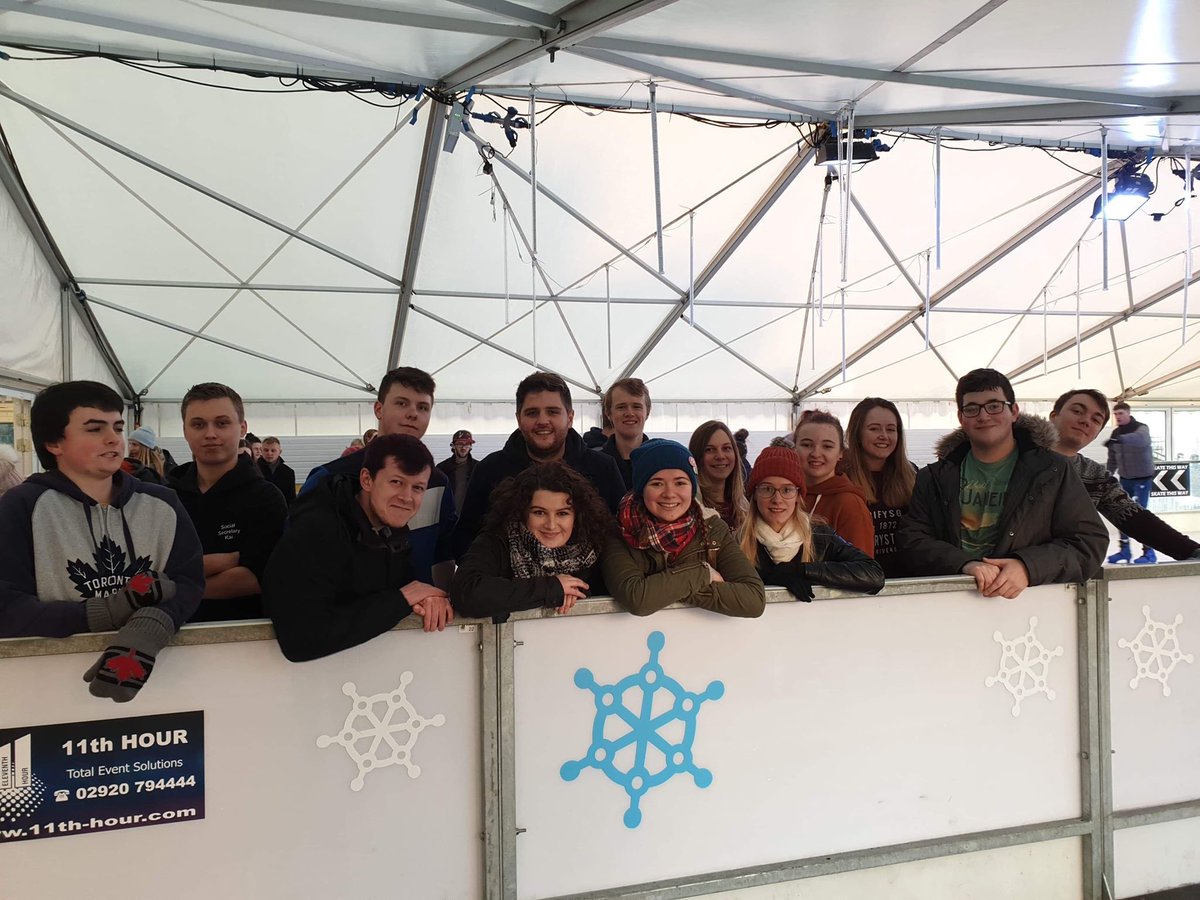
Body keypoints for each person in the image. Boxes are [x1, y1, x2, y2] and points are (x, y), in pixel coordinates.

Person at [0, 381, 203, 702]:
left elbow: (188, 582)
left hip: (156, 679)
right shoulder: (21, 506)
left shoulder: (164, 503)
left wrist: (153, 625)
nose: (114, 439)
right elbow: (7, 605)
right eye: (94, 429)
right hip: (43, 687)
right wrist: (104, 612)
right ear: (54, 441)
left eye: (118, 427)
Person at [897, 368, 1107, 596]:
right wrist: (964, 564)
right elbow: (912, 540)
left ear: (1014, 411)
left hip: (1028, 607)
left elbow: (1088, 542)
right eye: (972, 408)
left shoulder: (1052, 470)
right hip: (955, 601)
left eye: (994, 405)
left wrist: (1027, 566)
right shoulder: (934, 477)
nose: (984, 415)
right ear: (961, 418)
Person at [264, 434, 454, 662]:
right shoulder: (316, 530)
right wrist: (403, 599)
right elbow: (300, 639)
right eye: (396, 482)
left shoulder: (391, 530)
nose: (407, 497)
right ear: (367, 480)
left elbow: (407, 589)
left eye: (418, 488)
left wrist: (429, 600)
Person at [300, 367, 458, 592]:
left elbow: (443, 554)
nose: (413, 413)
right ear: (378, 409)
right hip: (352, 618)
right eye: (402, 403)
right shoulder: (330, 479)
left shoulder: (439, 483)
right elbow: (302, 561)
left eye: (422, 407)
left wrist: (442, 599)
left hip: (420, 618)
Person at [453, 372, 625, 557]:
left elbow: (620, 538)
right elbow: (466, 543)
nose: (542, 421)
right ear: (519, 419)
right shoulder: (490, 470)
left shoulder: (603, 467)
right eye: (532, 412)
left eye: (552, 411)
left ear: (570, 417)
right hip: (510, 585)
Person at [602, 439, 765, 618]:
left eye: (680, 483)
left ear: (692, 487)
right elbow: (637, 599)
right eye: (657, 483)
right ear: (642, 489)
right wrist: (702, 574)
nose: (670, 493)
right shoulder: (618, 533)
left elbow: (754, 600)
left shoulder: (712, 527)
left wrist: (663, 589)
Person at [168, 383, 287, 621]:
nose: (210, 434)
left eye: (222, 423)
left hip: (242, 635)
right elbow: (152, 570)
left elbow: (257, 578)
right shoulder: (165, 497)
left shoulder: (266, 498)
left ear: (242, 428)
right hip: (170, 633)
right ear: (185, 430)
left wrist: (174, 588)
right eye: (198, 424)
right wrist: (232, 559)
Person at [1050, 389, 1200, 562]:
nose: (1085, 421)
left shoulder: (1095, 476)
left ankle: (1144, 553)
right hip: (1018, 569)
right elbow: (1113, 457)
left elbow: (1135, 518)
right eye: (1077, 411)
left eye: (1096, 419)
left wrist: (1191, 550)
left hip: (1057, 571)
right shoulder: (1020, 457)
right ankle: (1126, 550)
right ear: (1054, 416)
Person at [451, 462, 613, 622]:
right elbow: (466, 592)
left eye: (562, 513)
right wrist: (552, 588)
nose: (551, 525)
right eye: (539, 512)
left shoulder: (594, 547)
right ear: (522, 512)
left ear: (577, 516)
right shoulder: (499, 540)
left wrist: (577, 595)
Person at [738, 442, 883, 598]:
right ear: (754, 495)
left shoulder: (820, 536)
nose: (777, 499)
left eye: (787, 490)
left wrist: (804, 570)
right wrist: (769, 578)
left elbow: (874, 575)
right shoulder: (737, 541)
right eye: (767, 489)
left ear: (798, 496)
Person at [842, 398, 916, 577]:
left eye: (891, 429)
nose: (884, 435)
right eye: (874, 428)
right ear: (857, 433)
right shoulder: (841, 477)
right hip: (860, 582)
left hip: (908, 582)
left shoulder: (913, 475)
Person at [791, 410, 874, 556]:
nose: (816, 453)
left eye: (827, 446)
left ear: (840, 453)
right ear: (794, 448)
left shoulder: (849, 503)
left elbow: (861, 570)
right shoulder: (786, 496)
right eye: (806, 445)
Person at [1104, 401, 1158, 564]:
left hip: (1142, 479)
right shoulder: (1116, 433)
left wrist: (1119, 439)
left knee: (1140, 516)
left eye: (1121, 413)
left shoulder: (1141, 428)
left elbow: (1140, 440)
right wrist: (1108, 475)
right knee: (1122, 513)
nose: (1118, 417)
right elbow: (1113, 458)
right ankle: (1125, 550)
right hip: (1125, 480)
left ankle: (1149, 552)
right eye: (1116, 414)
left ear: (1128, 413)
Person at [689, 420, 749, 531]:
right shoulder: (690, 508)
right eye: (710, 450)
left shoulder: (744, 507)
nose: (720, 456)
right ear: (696, 457)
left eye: (726, 448)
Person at [598, 377, 651, 489]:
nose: (629, 413)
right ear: (608, 413)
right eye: (621, 407)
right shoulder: (593, 464)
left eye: (637, 406)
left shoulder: (662, 462)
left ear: (648, 412)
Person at [436, 429, 478, 516]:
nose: (463, 447)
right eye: (460, 444)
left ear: (470, 446)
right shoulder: (442, 468)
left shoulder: (478, 467)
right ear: (453, 445)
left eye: (466, 444)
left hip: (470, 516)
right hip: (446, 516)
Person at [258, 436, 297, 507]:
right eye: (266, 450)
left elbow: (291, 499)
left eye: (273, 450)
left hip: (282, 513)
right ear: (261, 451)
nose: (269, 453)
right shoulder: (254, 470)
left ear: (280, 452)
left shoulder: (288, 473)